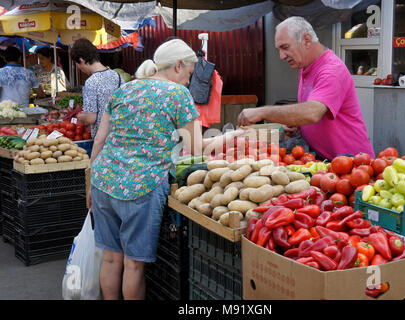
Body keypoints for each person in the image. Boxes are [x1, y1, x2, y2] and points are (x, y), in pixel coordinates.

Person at [88, 39, 247, 300]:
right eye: (189, 74)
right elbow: (197, 149)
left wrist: (90, 184)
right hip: (141, 186)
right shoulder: (177, 95)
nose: (188, 81)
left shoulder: (125, 89)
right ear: (178, 65)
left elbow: (99, 140)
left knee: (111, 259)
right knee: (133, 264)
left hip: (104, 179)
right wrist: (230, 137)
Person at [238, 16, 375, 160]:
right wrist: (298, 125)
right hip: (328, 162)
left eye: (285, 47)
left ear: (307, 40)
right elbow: (312, 113)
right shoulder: (305, 67)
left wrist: (262, 112)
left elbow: (312, 112)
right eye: (279, 50)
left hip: (354, 164)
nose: (281, 56)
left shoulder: (331, 70)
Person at [70, 38, 124, 138]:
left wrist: (80, 116)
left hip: (102, 138)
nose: (79, 68)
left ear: (82, 60)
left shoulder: (91, 82)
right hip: (120, 135)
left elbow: (91, 118)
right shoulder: (117, 76)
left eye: (77, 64)